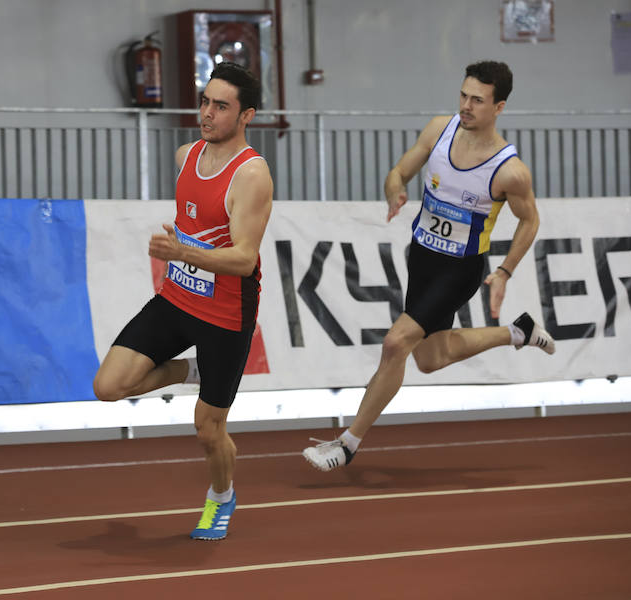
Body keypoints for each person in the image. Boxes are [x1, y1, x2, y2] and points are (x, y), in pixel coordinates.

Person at [303, 60, 555, 471]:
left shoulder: (510, 170)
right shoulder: (440, 129)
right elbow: (399, 171)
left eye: (478, 100)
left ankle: (347, 443)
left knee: (395, 343)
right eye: (463, 95)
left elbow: (531, 220)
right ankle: (519, 332)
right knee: (429, 358)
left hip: (460, 270)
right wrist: (395, 191)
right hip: (421, 258)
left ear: (500, 107)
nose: (466, 106)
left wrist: (505, 271)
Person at [93, 62, 273, 539]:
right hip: (177, 299)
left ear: (246, 115)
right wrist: (181, 259)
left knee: (208, 431)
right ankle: (192, 371)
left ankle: (221, 497)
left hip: (225, 315)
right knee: (108, 386)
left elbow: (243, 259)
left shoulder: (251, 176)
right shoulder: (186, 155)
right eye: (204, 102)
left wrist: (182, 251)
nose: (207, 113)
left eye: (220, 106)